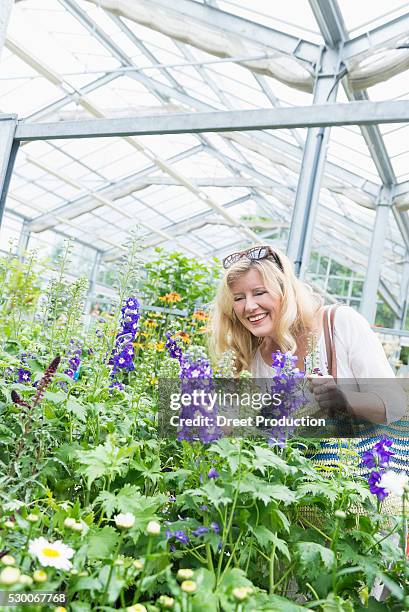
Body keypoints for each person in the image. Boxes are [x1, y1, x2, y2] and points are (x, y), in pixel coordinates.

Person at [210, 244, 406, 429]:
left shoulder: (339, 323)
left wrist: (345, 400)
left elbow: (395, 403)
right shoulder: (250, 358)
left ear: (286, 292)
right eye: (238, 298)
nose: (249, 306)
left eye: (259, 293)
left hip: (353, 461)